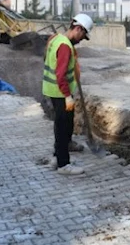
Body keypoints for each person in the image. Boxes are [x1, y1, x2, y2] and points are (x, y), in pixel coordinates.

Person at [43, 13, 93, 175]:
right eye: (83, 35)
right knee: (63, 127)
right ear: (78, 29)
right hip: (60, 92)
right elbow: (60, 74)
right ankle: (63, 165)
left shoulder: (56, 39)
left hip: (53, 90)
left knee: (62, 124)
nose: (81, 40)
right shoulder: (65, 46)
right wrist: (67, 96)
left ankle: (57, 157)